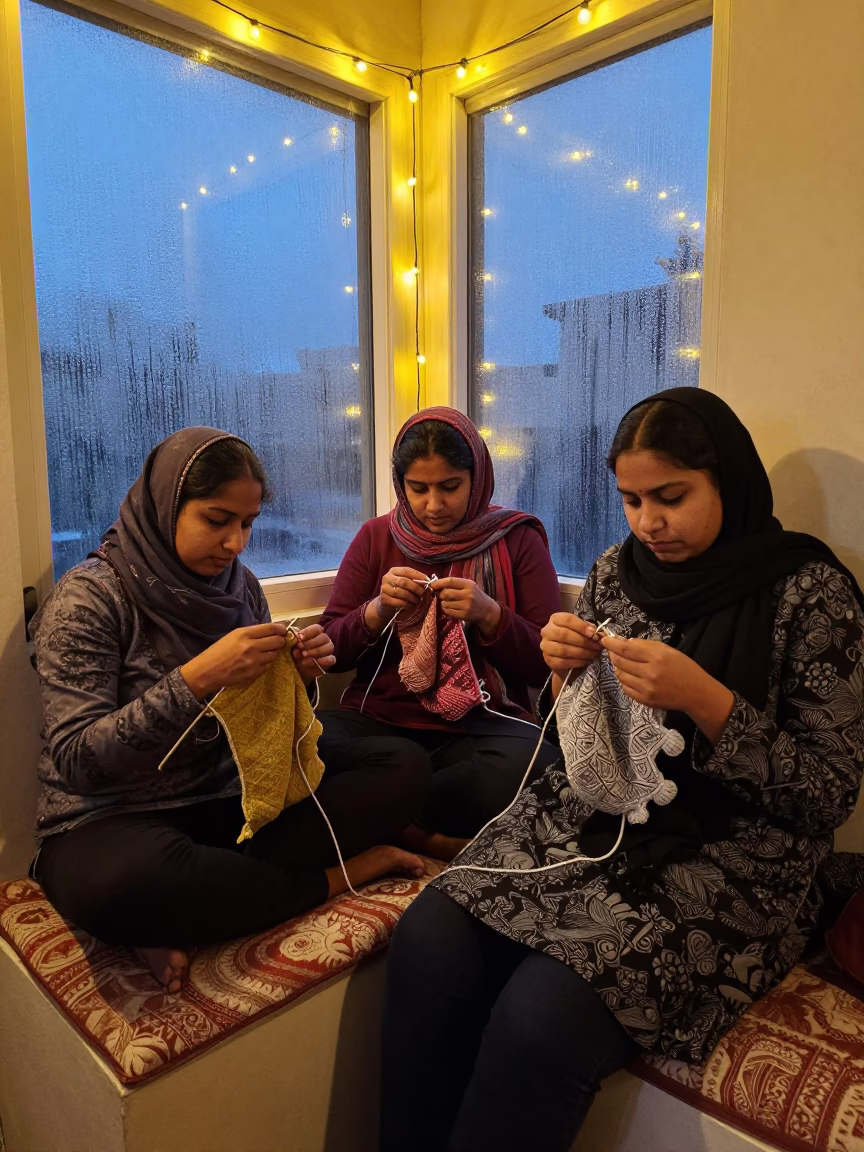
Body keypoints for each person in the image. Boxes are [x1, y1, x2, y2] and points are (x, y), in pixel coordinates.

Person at [380, 389, 864, 1152]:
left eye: (671, 497)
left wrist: (707, 701)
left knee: (539, 1018)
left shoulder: (811, 595)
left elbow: (828, 795)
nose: (648, 523)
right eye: (632, 500)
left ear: (729, 482)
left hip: (732, 856)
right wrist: (562, 675)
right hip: (594, 821)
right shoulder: (616, 572)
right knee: (427, 938)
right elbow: (581, 741)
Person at [31, 428, 427, 994]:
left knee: (402, 765)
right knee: (119, 885)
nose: (235, 543)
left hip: (229, 798)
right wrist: (198, 677)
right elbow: (78, 762)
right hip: (113, 817)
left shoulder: (239, 588)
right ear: (165, 506)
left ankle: (190, 904)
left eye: (247, 523)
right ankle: (337, 876)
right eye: (217, 520)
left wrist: (297, 676)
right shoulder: (89, 598)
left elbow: (258, 725)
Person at [318, 407, 562, 861]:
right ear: (400, 484)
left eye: (450, 487)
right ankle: (419, 829)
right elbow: (330, 651)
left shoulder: (516, 539)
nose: (433, 505)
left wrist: (491, 615)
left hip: (479, 726)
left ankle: (390, 820)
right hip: (380, 723)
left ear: (477, 478)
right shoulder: (376, 537)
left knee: (541, 767)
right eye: (418, 488)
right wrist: (377, 610)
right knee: (307, 742)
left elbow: (545, 665)